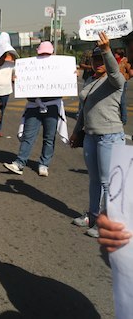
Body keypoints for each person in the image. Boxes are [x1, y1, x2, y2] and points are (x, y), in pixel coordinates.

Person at [69, 32, 126, 238]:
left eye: (101, 59)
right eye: (95, 59)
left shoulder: (114, 80)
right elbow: (84, 110)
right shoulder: (90, 81)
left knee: (107, 181)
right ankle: (93, 216)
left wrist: (106, 50)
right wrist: (77, 132)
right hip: (91, 136)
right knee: (94, 179)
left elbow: (114, 71)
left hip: (110, 136)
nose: (98, 63)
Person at [3, 41, 69, 178]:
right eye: (42, 54)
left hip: (51, 106)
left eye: (47, 54)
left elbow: (65, 83)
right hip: (33, 106)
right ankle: (20, 163)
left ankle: (44, 164)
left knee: (49, 137)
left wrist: (69, 75)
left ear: (52, 54)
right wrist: (17, 81)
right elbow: (24, 88)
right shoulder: (30, 67)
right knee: (28, 136)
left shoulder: (59, 67)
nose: (44, 56)